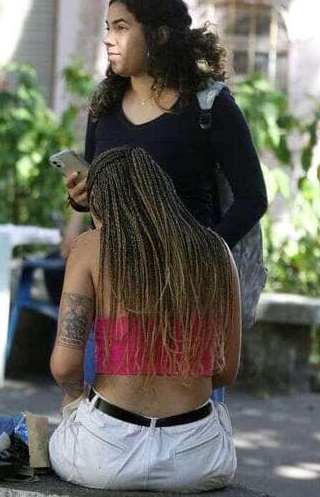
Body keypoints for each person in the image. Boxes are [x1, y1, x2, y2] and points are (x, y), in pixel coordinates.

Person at [49, 146, 241, 491]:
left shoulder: (90, 247)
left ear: (99, 205)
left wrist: (74, 397)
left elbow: (64, 365)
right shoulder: (216, 250)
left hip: (104, 454)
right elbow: (224, 372)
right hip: (198, 458)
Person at [66, 0, 267, 249]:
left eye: (121, 28)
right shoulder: (104, 107)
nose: (108, 39)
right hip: (112, 275)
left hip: (184, 280)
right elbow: (99, 199)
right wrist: (81, 198)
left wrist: (205, 255)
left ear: (159, 36)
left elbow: (253, 198)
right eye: (108, 28)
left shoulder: (210, 106)